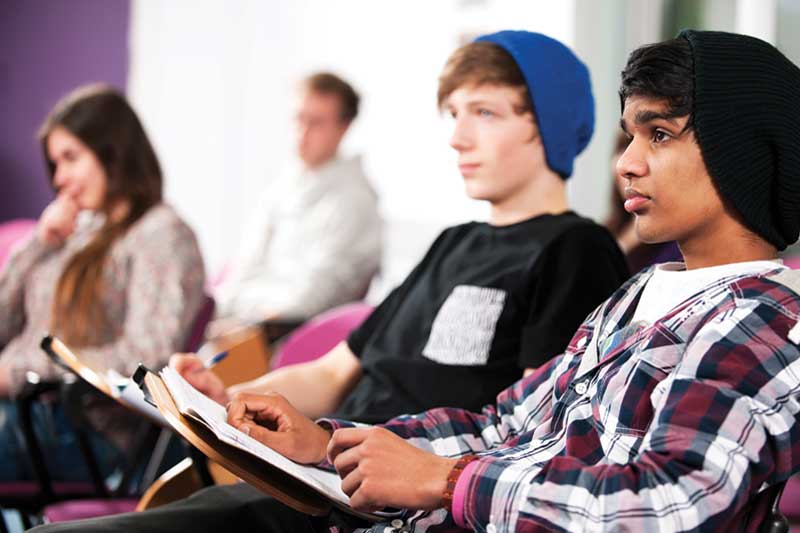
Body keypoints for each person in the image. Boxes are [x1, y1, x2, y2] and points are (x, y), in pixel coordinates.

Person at [204, 30, 799, 532]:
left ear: (739, 152)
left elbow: (668, 505)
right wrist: (329, 444)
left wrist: (445, 480)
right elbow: (505, 425)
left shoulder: (767, 320)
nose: (626, 162)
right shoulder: (638, 295)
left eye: (660, 134)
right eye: (632, 136)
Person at [33, 30, 629, 531]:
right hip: (313, 478)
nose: (457, 137)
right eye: (454, 114)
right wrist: (228, 398)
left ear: (549, 122)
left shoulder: (574, 249)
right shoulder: (455, 242)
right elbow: (331, 371)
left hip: (380, 506)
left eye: (486, 113)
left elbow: (532, 431)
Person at [0, 84, 206, 482]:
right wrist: (38, 245)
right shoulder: (75, 231)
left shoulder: (161, 234)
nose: (60, 179)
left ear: (113, 151)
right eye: (54, 164)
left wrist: (16, 372)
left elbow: (147, 356)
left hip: (82, 428)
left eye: (70, 158)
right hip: (29, 415)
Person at [211, 72, 382, 334]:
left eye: (316, 122)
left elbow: (311, 299)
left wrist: (243, 319)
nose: (302, 133)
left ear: (343, 127)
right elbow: (247, 263)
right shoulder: (284, 185)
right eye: (299, 119)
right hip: (245, 317)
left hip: (291, 335)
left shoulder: (354, 201)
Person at [604, 130, 681, 273]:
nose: (625, 167)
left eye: (659, 137)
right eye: (624, 148)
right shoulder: (606, 230)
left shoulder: (676, 248)